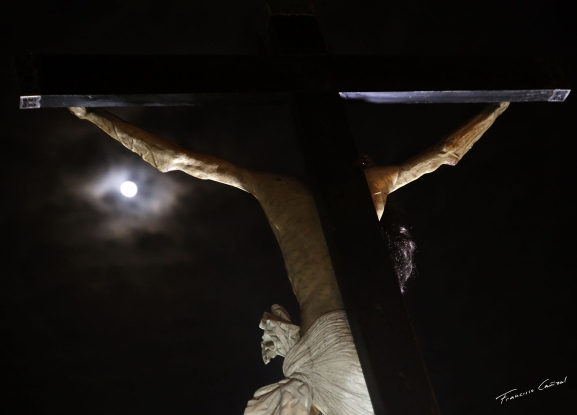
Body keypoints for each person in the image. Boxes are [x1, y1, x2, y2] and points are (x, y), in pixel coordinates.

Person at [69, 102, 509, 415]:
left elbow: (174, 159)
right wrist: (502, 102)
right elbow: (447, 153)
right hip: (354, 343)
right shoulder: (370, 185)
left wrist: (95, 115)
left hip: (333, 347)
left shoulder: (272, 186)